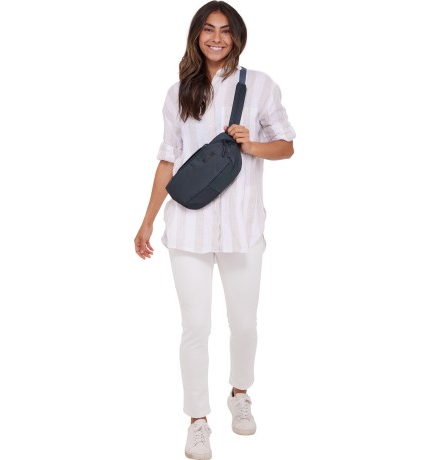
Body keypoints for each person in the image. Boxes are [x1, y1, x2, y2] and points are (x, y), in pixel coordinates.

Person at [134, 1, 296, 458]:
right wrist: (146, 221)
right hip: (188, 228)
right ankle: (198, 420)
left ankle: (240, 394)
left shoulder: (259, 85)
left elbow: (287, 146)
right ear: (197, 36)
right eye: (209, 29)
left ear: (237, 37)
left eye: (226, 30)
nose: (217, 38)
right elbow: (167, 161)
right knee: (195, 327)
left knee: (243, 323)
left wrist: (253, 145)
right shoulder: (178, 93)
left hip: (243, 228)